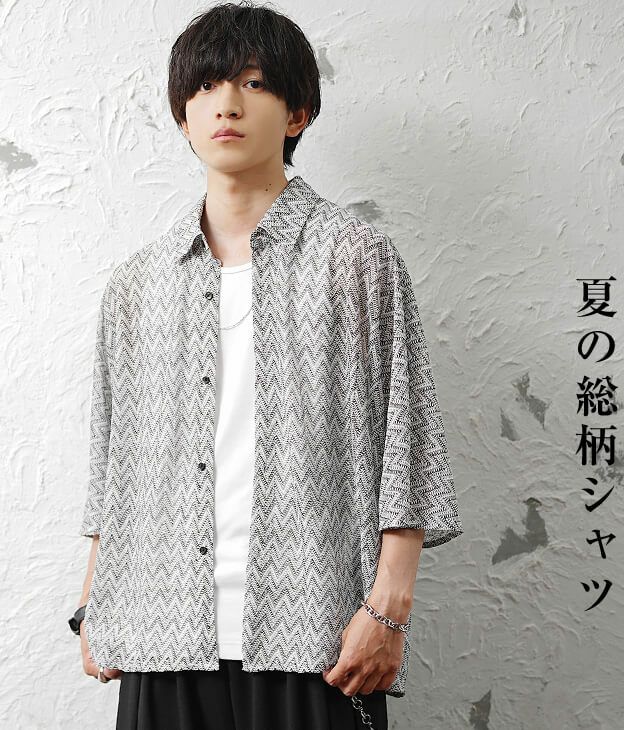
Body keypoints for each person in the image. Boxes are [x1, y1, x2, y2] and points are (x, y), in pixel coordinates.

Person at [70, 2, 463, 729]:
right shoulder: (137, 284)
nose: (226, 104)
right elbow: (113, 461)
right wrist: (95, 602)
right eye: (205, 87)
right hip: (159, 632)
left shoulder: (355, 259)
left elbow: (408, 445)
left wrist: (389, 610)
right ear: (182, 117)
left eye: (253, 83)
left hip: (317, 636)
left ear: (297, 113)